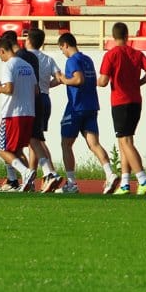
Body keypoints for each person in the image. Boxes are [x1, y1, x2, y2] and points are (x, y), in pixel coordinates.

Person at [53, 32, 120, 195]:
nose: (62, 51)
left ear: (65, 45)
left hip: (76, 107)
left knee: (66, 144)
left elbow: (78, 79)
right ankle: (110, 174)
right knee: (94, 143)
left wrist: (63, 79)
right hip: (91, 105)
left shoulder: (72, 61)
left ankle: (71, 183)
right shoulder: (87, 59)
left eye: (61, 48)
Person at [98, 22, 146, 196]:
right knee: (124, 140)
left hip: (120, 101)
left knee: (125, 142)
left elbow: (103, 81)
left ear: (113, 36)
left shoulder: (111, 55)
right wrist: (140, 82)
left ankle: (143, 178)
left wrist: (91, 81)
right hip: (135, 101)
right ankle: (125, 183)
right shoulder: (136, 53)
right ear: (127, 35)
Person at [0, 37, 37, 193]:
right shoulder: (27, 66)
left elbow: (9, 89)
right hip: (29, 113)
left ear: (3, 51)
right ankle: (20, 182)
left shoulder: (8, 65)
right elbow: (36, 90)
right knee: (16, 151)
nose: (0, 58)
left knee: (2, 150)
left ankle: (26, 173)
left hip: (12, 113)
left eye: (0, 55)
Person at [25, 28, 64, 193]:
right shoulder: (48, 58)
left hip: (32, 99)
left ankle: (50, 173)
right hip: (45, 98)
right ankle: (32, 177)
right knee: (36, 138)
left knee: (35, 139)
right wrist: (48, 85)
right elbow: (59, 78)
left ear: (28, 40)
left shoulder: (25, 57)